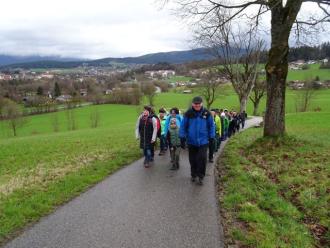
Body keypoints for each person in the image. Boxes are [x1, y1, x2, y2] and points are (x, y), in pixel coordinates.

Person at [180, 96, 215, 185]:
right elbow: (183, 126)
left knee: (202, 159)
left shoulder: (207, 113)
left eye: (198, 104)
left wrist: (212, 136)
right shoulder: (188, 114)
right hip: (191, 141)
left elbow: (211, 126)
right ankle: (193, 174)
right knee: (193, 160)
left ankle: (201, 176)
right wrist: (182, 137)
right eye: (195, 104)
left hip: (203, 141)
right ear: (192, 104)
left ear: (201, 104)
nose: (197, 105)